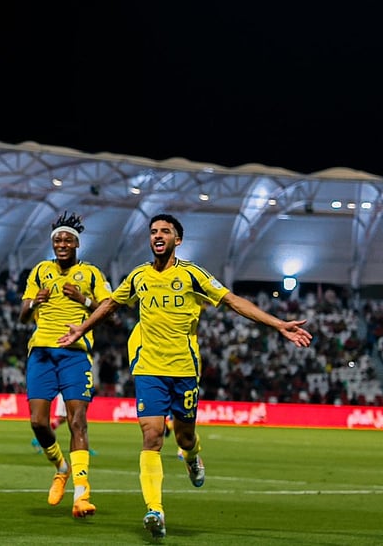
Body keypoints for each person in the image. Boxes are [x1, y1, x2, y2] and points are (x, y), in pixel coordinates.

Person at [58, 213, 313, 538]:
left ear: (177, 240)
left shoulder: (192, 275)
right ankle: (155, 511)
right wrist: (82, 326)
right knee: (152, 437)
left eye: (165, 231)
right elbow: (111, 304)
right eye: (153, 231)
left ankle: (192, 456)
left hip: (184, 369)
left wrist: (278, 324)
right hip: (149, 368)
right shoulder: (138, 276)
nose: (158, 235)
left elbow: (233, 301)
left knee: (184, 437)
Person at [19, 211, 112, 518]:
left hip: (76, 353)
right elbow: (22, 315)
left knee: (77, 421)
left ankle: (82, 495)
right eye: (57, 239)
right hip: (41, 353)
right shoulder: (40, 272)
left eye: (67, 240)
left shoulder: (92, 275)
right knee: (38, 423)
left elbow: (109, 310)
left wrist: (84, 301)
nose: (61, 243)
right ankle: (61, 467)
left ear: (76, 245)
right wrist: (35, 302)